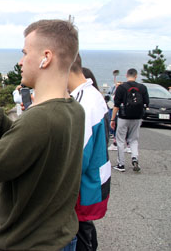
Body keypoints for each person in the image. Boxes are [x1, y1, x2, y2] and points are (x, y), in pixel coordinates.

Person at [0, 19, 84, 250]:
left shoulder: (41, 118)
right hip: (59, 238)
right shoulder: (73, 109)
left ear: (46, 57)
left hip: (28, 244)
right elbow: (27, 145)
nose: (20, 61)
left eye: (25, 53)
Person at [69, 58, 111, 251]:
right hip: (94, 181)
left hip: (83, 188)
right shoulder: (93, 95)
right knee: (85, 230)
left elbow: (76, 162)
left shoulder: (82, 104)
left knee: (80, 233)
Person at [110, 68, 149, 172]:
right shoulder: (142, 87)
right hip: (137, 117)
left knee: (120, 140)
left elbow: (116, 105)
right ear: (136, 76)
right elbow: (146, 103)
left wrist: (112, 119)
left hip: (123, 117)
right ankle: (135, 157)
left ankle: (121, 164)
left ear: (127, 75)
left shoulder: (122, 87)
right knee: (134, 139)